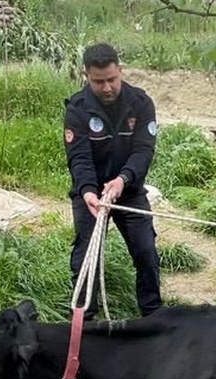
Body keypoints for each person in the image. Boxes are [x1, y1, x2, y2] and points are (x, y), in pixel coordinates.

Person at [63, 42, 162, 320]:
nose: (107, 87)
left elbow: (144, 151)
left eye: (111, 79)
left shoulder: (141, 103)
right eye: (98, 81)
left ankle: (153, 316)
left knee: (146, 251)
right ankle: (84, 321)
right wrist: (87, 192)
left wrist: (122, 180)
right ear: (87, 76)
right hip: (91, 195)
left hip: (128, 190)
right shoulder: (77, 109)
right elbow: (79, 158)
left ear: (120, 70)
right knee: (86, 257)